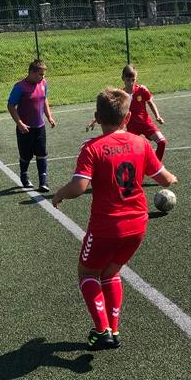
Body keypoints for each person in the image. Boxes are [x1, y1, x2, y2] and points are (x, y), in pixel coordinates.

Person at [53, 87, 178, 350]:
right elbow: (165, 179)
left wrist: (60, 194)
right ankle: (114, 329)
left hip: (106, 226)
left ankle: (102, 331)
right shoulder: (141, 143)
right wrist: (171, 179)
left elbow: (79, 187)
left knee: (88, 273)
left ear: (97, 117)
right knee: (110, 272)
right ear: (128, 117)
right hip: (138, 225)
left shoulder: (92, 148)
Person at [86, 64, 168, 159]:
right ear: (123, 78)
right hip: (131, 127)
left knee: (162, 142)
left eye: (133, 79)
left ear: (136, 78)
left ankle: (156, 165)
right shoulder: (121, 94)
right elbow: (107, 108)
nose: (131, 82)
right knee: (133, 153)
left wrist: (157, 116)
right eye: (128, 79)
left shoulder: (142, 90)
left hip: (146, 124)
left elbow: (150, 102)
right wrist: (94, 120)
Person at [7, 59, 56, 192]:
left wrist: (49, 116)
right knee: (26, 155)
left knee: (41, 152)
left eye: (43, 75)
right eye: (40, 74)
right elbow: (11, 106)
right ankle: (24, 176)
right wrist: (20, 123)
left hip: (40, 127)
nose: (42, 77)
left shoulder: (43, 83)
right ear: (31, 73)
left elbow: (44, 99)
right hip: (25, 129)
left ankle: (43, 182)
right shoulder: (20, 87)